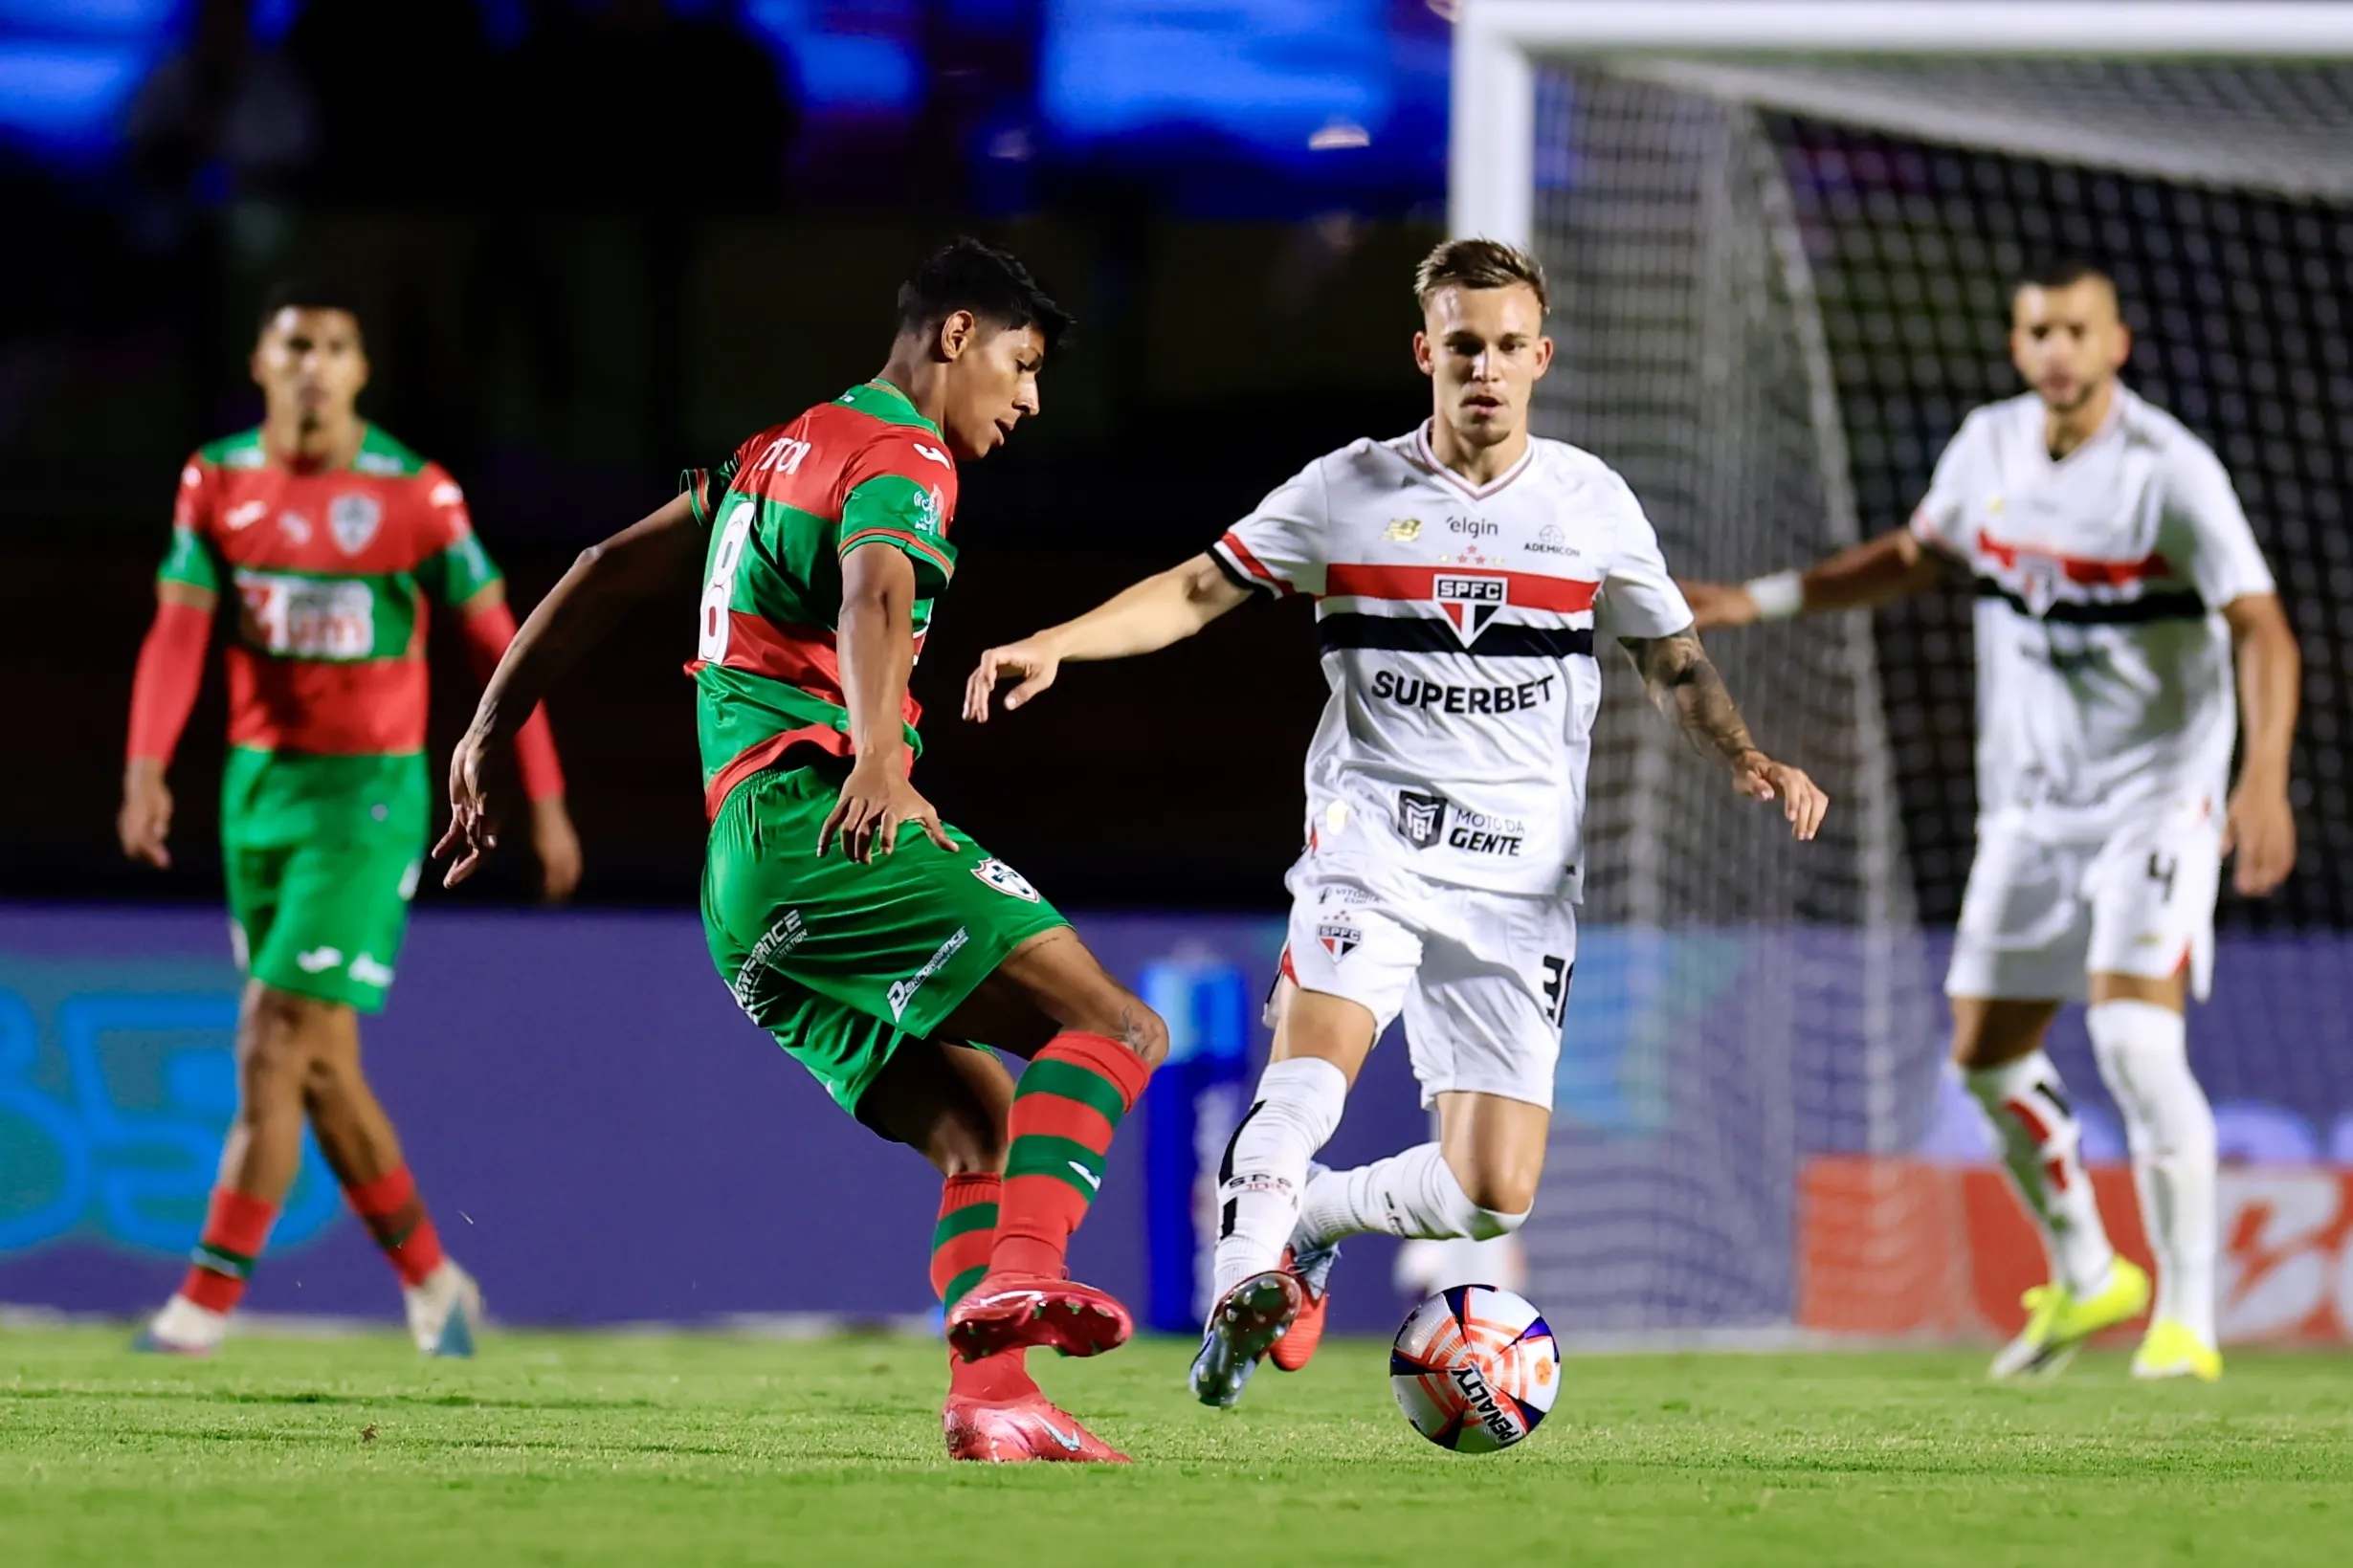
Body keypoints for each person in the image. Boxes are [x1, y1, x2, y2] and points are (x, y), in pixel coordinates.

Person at [964, 238, 1828, 1407]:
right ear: (1425, 352)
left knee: (1490, 1192)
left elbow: (1669, 655)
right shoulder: (1346, 491)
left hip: (1520, 886)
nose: (1485, 368)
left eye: (1507, 347)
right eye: (1462, 345)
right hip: (1371, 848)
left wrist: (1742, 753)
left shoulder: (1589, 504)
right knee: (1306, 1079)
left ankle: (1310, 1222)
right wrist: (1055, 640)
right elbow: (1195, 588)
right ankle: (1238, 1289)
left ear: (1540, 358)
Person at [436, 238, 1166, 1464]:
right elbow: (875, 589)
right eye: (1021, 362)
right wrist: (881, 754)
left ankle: (991, 1400)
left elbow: (602, 567)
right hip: (823, 817)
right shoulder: (902, 452)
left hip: (740, 883)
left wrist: (484, 726)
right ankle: (1028, 1272)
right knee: (1116, 1029)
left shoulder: (773, 452)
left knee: (977, 1130)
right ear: (954, 337)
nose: (1030, 399)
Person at [1680, 258, 2301, 1382]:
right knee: (1983, 1057)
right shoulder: (1987, 445)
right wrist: (1756, 599)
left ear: (2114, 343)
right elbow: (1916, 555)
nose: (2054, 348)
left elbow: (2260, 629)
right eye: (2035, 331)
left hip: (2156, 799)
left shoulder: (2170, 473)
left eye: (2074, 328)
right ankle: (2084, 1275)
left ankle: (2187, 1324)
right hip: (2029, 809)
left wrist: (2261, 783)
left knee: (2130, 1037)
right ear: (2018, 347)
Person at [121, 279, 582, 1358]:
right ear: (260, 364)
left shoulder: (417, 496)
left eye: (334, 347)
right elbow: (177, 634)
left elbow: (502, 646)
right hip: (256, 799)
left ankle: (203, 1302)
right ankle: (436, 1285)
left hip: (367, 803)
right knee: (319, 1059)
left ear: (360, 371)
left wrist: (546, 801)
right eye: (295, 347)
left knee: (271, 1034)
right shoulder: (216, 481)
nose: (314, 366)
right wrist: (147, 766)